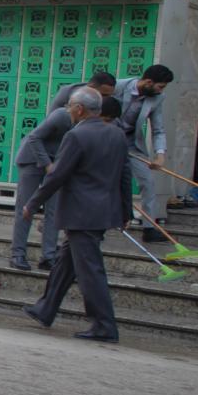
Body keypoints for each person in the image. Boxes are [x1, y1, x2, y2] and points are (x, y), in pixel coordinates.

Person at [23, 90, 132, 342]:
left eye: (70, 106)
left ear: (80, 109)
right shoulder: (116, 134)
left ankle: (104, 325)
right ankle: (46, 308)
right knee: (66, 262)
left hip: (81, 212)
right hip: (102, 211)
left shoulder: (76, 135)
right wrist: (126, 210)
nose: (68, 110)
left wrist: (33, 202)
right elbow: (125, 175)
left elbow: (57, 175)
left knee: (90, 271)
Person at [10, 97, 77, 271]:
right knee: (26, 208)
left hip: (56, 164)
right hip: (32, 159)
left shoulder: (87, 123)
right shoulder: (61, 115)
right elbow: (34, 138)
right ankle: (17, 254)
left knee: (54, 210)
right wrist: (47, 164)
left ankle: (48, 256)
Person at [114, 65, 175, 224]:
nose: (161, 91)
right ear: (148, 82)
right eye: (160, 86)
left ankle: (149, 226)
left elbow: (158, 129)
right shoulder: (117, 86)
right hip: (107, 140)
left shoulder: (158, 97)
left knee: (148, 182)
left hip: (131, 143)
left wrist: (160, 155)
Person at [49, 70, 116, 113]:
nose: (107, 99)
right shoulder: (69, 93)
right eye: (103, 95)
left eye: (110, 95)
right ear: (90, 87)